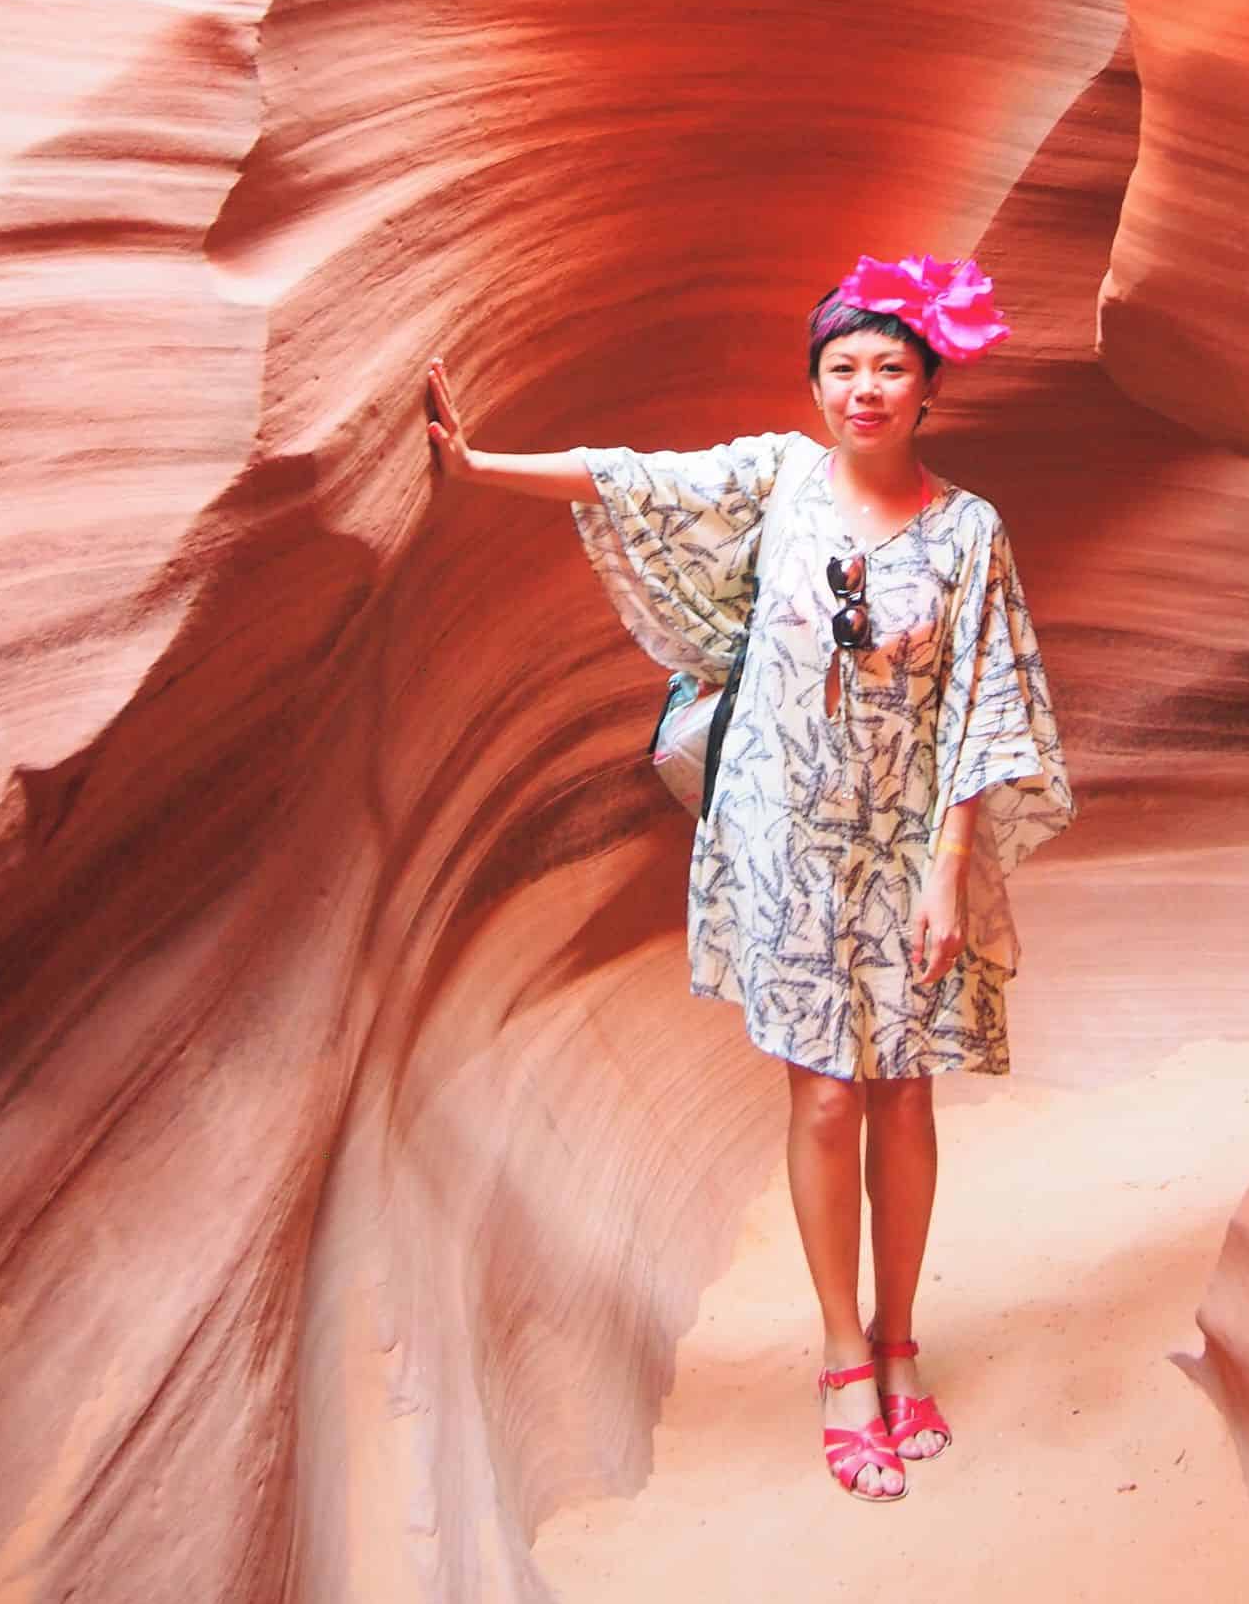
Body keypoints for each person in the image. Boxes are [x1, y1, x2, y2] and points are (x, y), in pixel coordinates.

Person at [426, 251, 1073, 1503]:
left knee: (905, 1100)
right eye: (844, 369)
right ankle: (841, 1357)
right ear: (817, 386)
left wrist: (949, 873)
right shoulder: (776, 481)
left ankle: (898, 1345)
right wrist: (474, 466)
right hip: (785, 849)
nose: (865, 388)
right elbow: (628, 483)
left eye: (890, 368)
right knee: (827, 1097)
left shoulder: (969, 531)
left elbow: (989, 705)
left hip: (907, 856)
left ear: (929, 388)